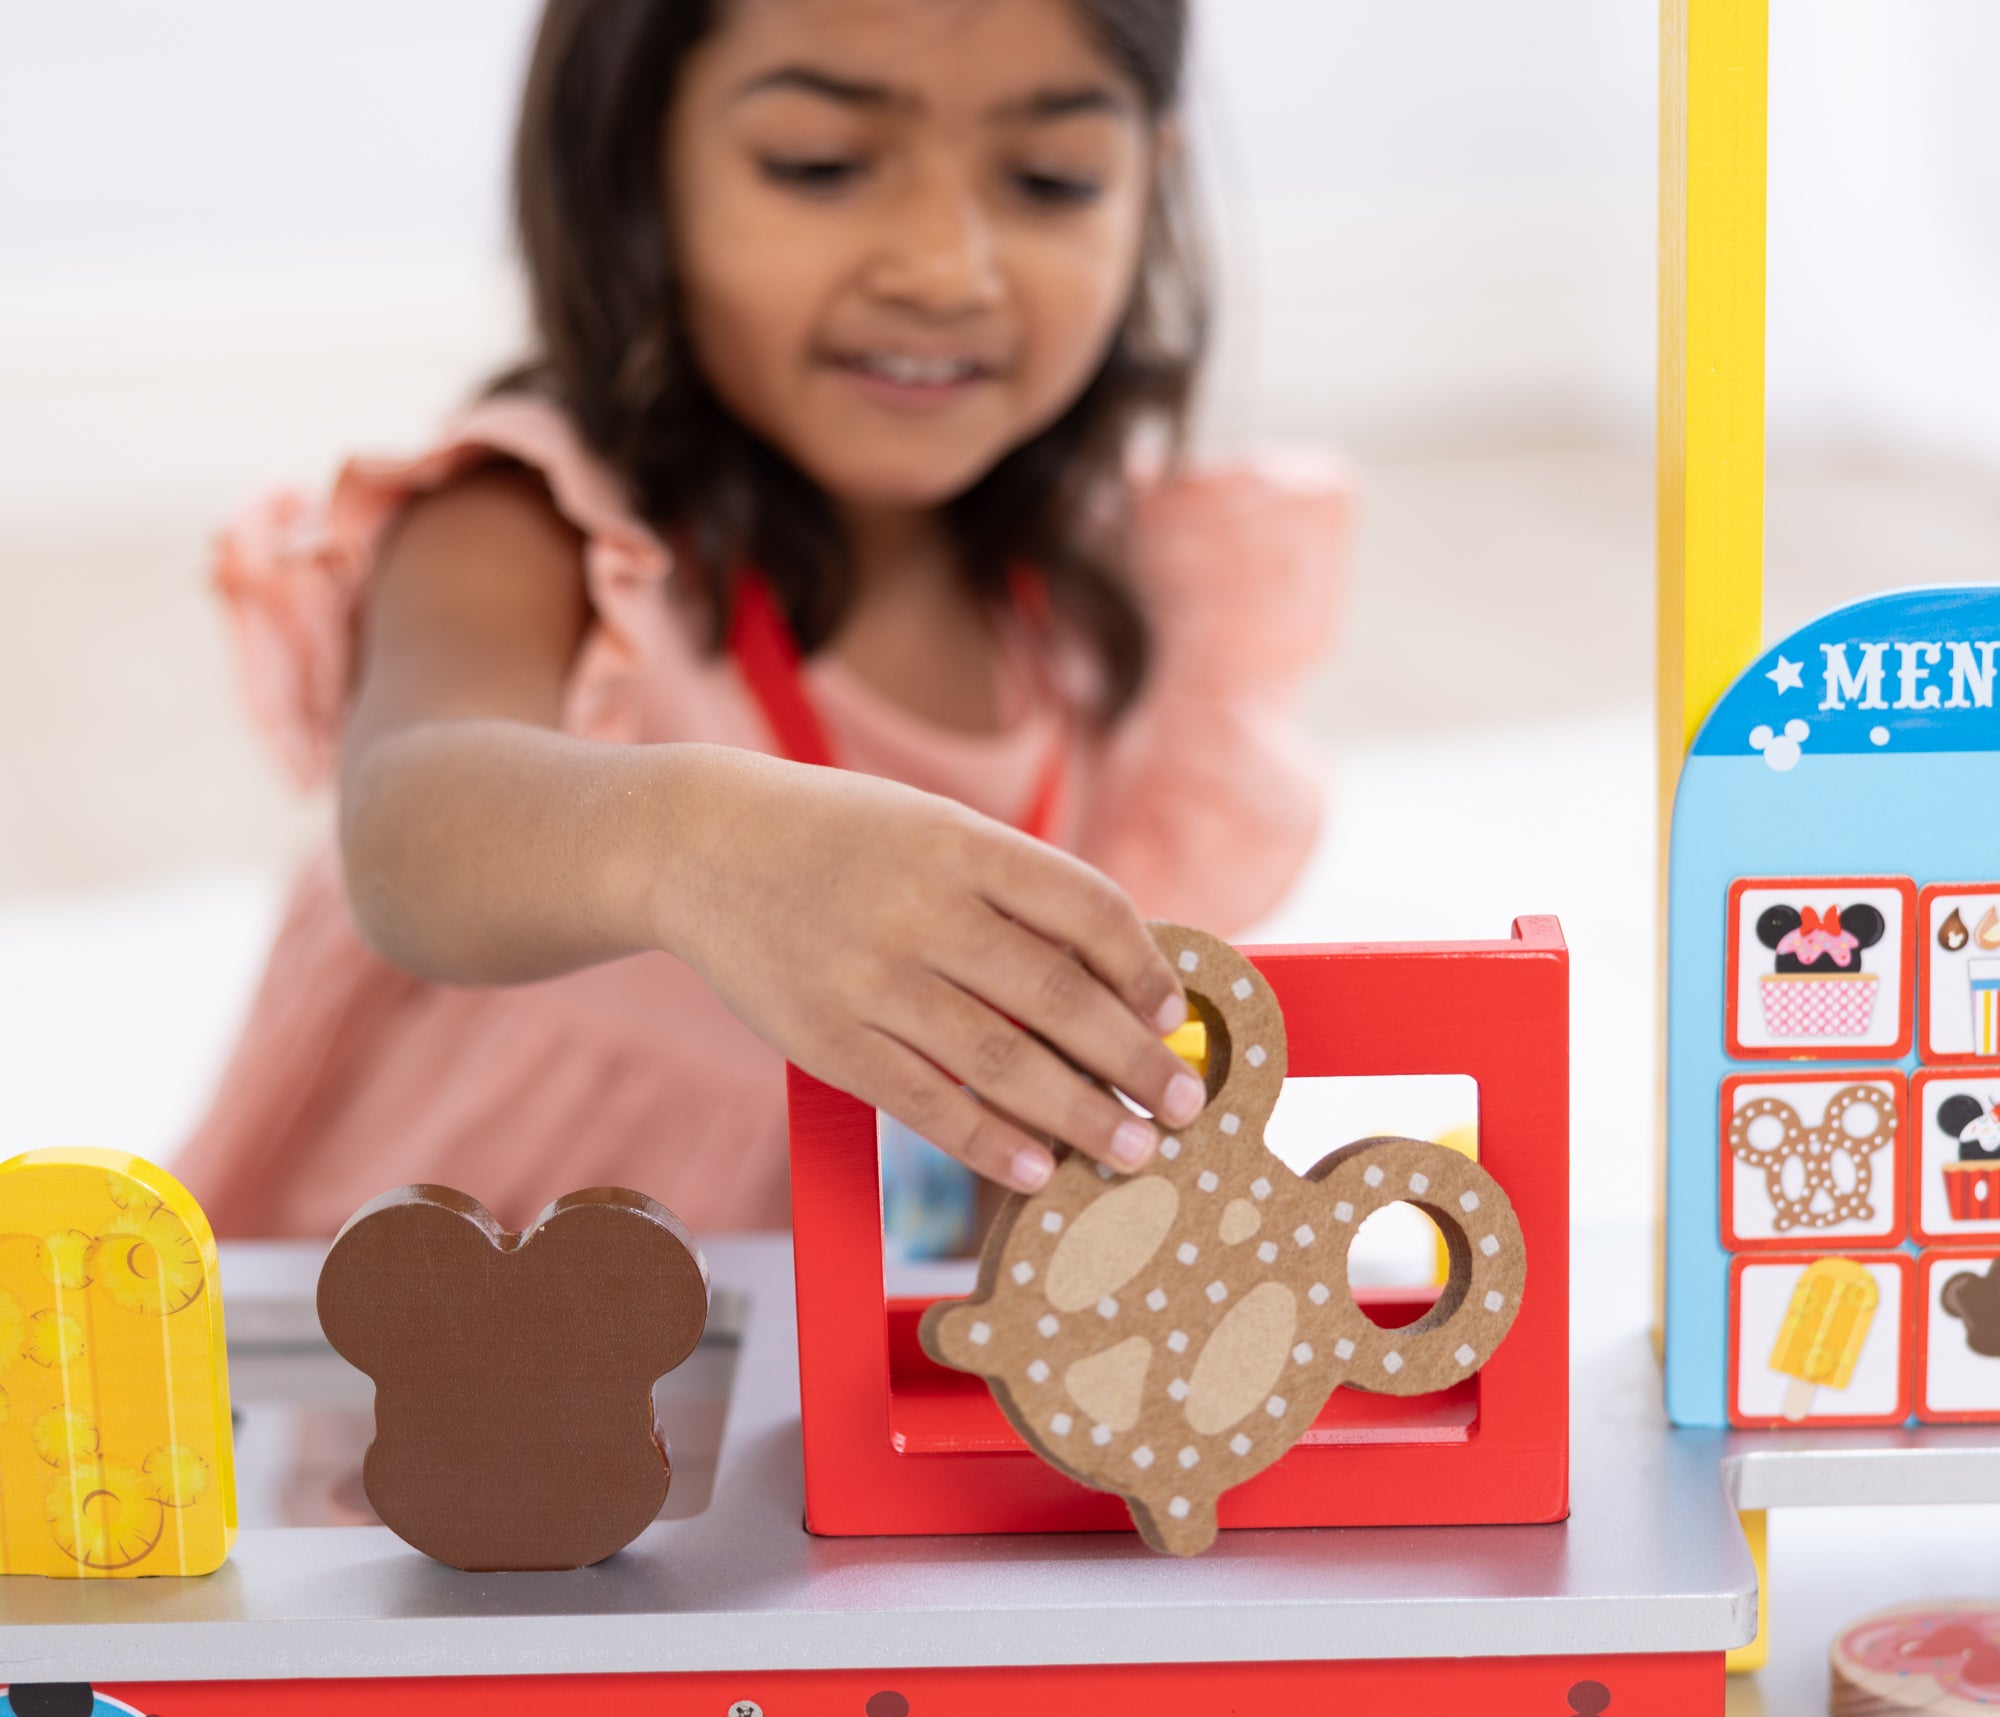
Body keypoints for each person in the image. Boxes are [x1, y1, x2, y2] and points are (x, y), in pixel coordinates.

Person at [181, 0, 1344, 1240]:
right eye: (820, 165)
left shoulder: (1121, 589)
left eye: (1050, 180)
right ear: (634, 162)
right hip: (472, 1331)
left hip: (861, 1357)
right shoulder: (531, 522)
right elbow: (403, 830)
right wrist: (691, 844)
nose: (945, 267)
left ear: (1147, 180)